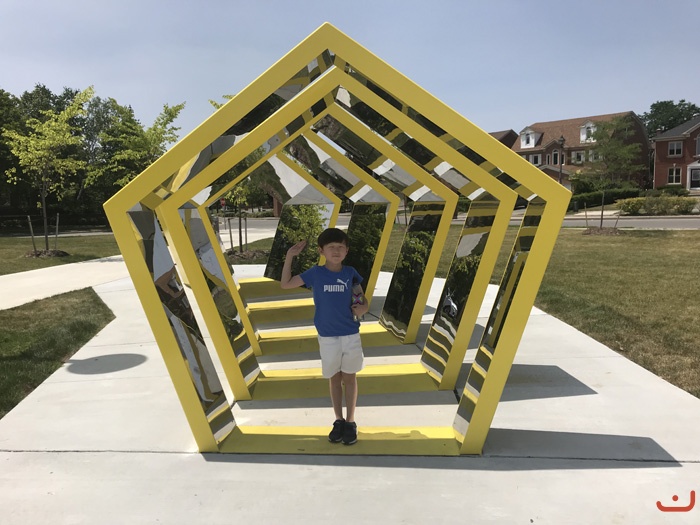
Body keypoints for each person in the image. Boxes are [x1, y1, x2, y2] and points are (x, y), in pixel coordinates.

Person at [280, 227, 369, 445]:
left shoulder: (350, 273)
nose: (336, 251)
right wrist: (290, 256)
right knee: (334, 378)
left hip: (350, 335)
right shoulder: (315, 273)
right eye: (331, 247)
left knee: (350, 378)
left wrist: (363, 308)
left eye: (340, 247)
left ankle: (350, 421)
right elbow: (286, 284)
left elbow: (361, 299)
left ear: (347, 251)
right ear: (321, 251)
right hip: (328, 337)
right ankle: (338, 420)